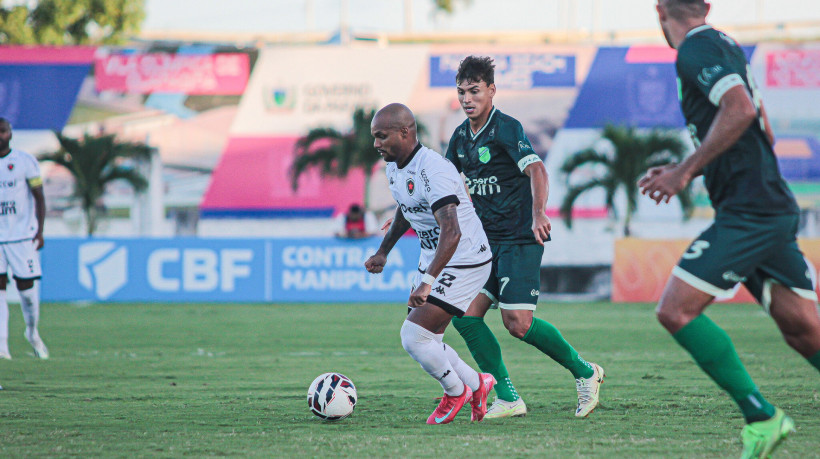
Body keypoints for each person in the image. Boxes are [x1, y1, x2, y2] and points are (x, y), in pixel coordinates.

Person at [640, 2, 820, 457]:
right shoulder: (725, 44)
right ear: (706, 6)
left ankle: (762, 417)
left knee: (674, 311)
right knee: (802, 328)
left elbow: (739, 110)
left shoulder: (695, 50)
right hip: (766, 204)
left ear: (660, 9)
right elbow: (762, 130)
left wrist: (684, 171)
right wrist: (686, 168)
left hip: (751, 211)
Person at [444, 56, 604, 419]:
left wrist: (538, 213)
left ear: (491, 91)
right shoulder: (459, 139)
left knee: (517, 324)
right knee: (465, 317)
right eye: (462, 92)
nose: (467, 98)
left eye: (475, 91)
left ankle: (586, 372)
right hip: (486, 246)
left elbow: (537, 169)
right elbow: (443, 185)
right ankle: (508, 397)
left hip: (519, 238)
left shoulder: (505, 128)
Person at [365, 103, 496, 425]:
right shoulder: (394, 167)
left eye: (382, 136)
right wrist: (383, 251)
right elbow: (405, 209)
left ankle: (455, 392)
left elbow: (452, 232)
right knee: (428, 338)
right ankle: (478, 385)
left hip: (464, 258)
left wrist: (428, 281)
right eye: (374, 137)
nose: (376, 144)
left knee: (414, 336)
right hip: (436, 258)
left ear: (405, 132)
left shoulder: (433, 169)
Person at [0, 118, 48, 360]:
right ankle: (2, 347)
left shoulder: (25, 162)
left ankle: (32, 332)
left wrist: (39, 231)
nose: (0, 135)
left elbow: (39, 197)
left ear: (10, 134)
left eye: (3, 131)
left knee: (26, 291)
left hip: (21, 237)